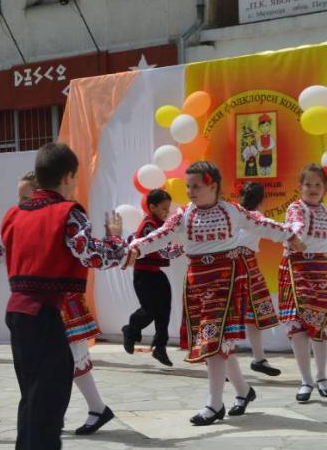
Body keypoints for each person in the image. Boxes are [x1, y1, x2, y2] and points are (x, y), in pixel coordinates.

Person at [127, 161, 304, 426]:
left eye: (196, 186)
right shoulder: (184, 214)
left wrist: (290, 235)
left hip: (226, 282)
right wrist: (136, 249)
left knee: (214, 343)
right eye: (188, 186)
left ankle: (214, 404)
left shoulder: (232, 211)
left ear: (213, 186)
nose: (190, 191)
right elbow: (161, 235)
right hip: (197, 283)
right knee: (220, 345)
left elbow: (263, 224)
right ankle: (244, 391)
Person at [2, 143, 127, 449]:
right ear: (69, 176)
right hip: (45, 313)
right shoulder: (67, 213)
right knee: (49, 400)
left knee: (31, 396)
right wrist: (116, 241)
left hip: (17, 312)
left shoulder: (14, 214)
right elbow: (91, 254)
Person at [279, 164, 327, 402]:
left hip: (320, 270)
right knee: (297, 328)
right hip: (295, 268)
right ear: (299, 187)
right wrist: (295, 235)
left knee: (320, 326)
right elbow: (295, 224)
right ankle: (305, 380)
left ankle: (321, 376)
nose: (313, 189)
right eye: (308, 184)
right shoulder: (295, 208)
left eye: (318, 184)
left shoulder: (325, 212)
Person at [122, 189, 183, 367]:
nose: (167, 212)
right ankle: (131, 330)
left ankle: (160, 347)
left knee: (164, 311)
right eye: (164, 208)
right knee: (150, 310)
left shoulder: (160, 224)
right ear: (152, 207)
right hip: (144, 274)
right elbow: (163, 250)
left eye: (168, 208)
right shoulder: (150, 225)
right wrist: (184, 247)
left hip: (156, 273)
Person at [236, 182, 281, 377]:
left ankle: (259, 358)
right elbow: (276, 231)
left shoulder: (235, 214)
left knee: (249, 315)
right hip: (241, 265)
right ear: (262, 199)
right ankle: (221, 360)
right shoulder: (254, 217)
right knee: (241, 315)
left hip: (238, 264)